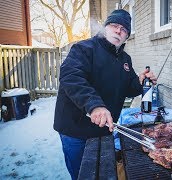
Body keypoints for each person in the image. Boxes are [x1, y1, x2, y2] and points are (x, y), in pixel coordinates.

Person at [53, 9, 157, 180]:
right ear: (105, 27)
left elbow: (128, 88)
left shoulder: (125, 59)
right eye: (114, 26)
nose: (118, 31)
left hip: (104, 130)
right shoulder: (84, 48)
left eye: (124, 30)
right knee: (83, 175)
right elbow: (71, 77)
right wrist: (95, 106)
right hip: (75, 129)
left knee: (103, 174)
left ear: (126, 36)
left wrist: (139, 81)